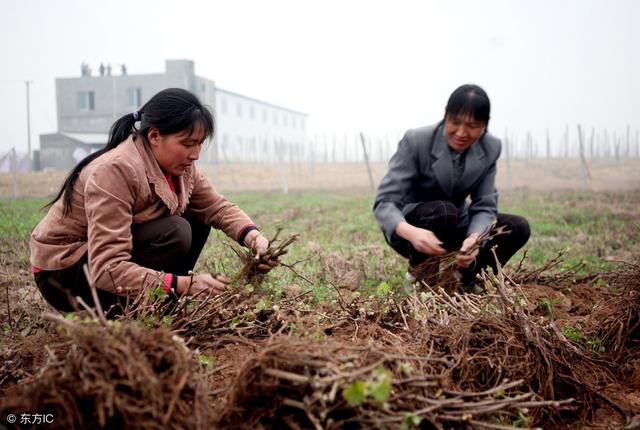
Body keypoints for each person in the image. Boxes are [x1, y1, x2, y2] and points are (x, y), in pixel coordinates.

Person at [30, 88, 276, 314]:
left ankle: (158, 302)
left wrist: (256, 240)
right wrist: (184, 285)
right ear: (155, 135)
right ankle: (127, 308)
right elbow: (106, 267)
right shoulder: (116, 170)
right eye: (188, 143)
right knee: (176, 230)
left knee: (197, 219)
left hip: (97, 265)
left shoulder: (181, 166)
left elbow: (216, 207)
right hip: (64, 273)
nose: (195, 154)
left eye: (200, 144)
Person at [374, 84, 530, 287]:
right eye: (455, 122)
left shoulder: (490, 147)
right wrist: (411, 232)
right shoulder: (417, 140)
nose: (461, 133)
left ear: (485, 125)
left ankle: (466, 278)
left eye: (473, 126)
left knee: (516, 227)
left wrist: (475, 238)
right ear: (445, 115)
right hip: (413, 228)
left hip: (456, 224)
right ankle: (419, 279)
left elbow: (484, 204)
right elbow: (385, 202)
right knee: (444, 211)